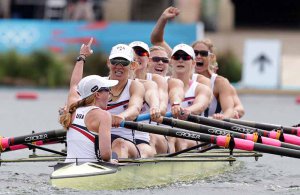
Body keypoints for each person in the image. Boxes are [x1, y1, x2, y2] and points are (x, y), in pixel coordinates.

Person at [59, 38, 118, 163]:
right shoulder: (104, 116)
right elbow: (106, 155)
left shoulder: (73, 108)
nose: (110, 93)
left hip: (66, 168)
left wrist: (82, 56)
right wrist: (113, 160)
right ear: (97, 94)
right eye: (107, 89)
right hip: (90, 171)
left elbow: (74, 84)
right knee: (115, 156)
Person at [129, 41, 184, 154]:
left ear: (148, 60)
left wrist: (158, 108)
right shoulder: (116, 81)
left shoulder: (158, 80)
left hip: (154, 133)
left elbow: (162, 106)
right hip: (127, 134)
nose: (137, 57)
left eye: (141, 53)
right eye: (134, 53)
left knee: (152, 136)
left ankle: (142, 167)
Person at [106, 43, 148, 158]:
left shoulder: (135, 86)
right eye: (115, 61)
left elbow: (135, 108)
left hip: (128, 142)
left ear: (133, 65)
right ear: (108, 63)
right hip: (101, 139)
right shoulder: (98, 84)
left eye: (124, 62)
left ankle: (116, 172)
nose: (119, 66)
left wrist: (122, 116)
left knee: (119, 144)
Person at [191, 39, 244, 119]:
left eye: (203, 53)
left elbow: (232, 109)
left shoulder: (220, 83)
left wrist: (225, 116)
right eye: (195, 53)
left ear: (211, 57)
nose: (198, 56)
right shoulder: (183, 78)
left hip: (211, 127)